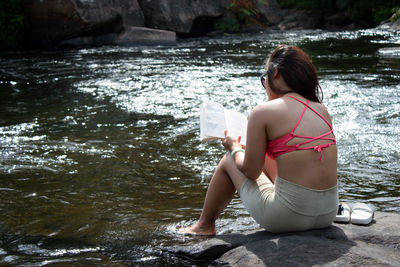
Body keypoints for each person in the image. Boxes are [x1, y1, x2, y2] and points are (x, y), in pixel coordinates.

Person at [180, 45, 338, 235]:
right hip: (327, 214)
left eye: (265, 79)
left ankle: (204, 226)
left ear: (276, 73)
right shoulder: (322, 110)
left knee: (230, 159)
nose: (265, 86)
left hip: (288, 218)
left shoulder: (262, 112)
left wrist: (234, 147)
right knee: (270, 156)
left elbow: (251, 172)